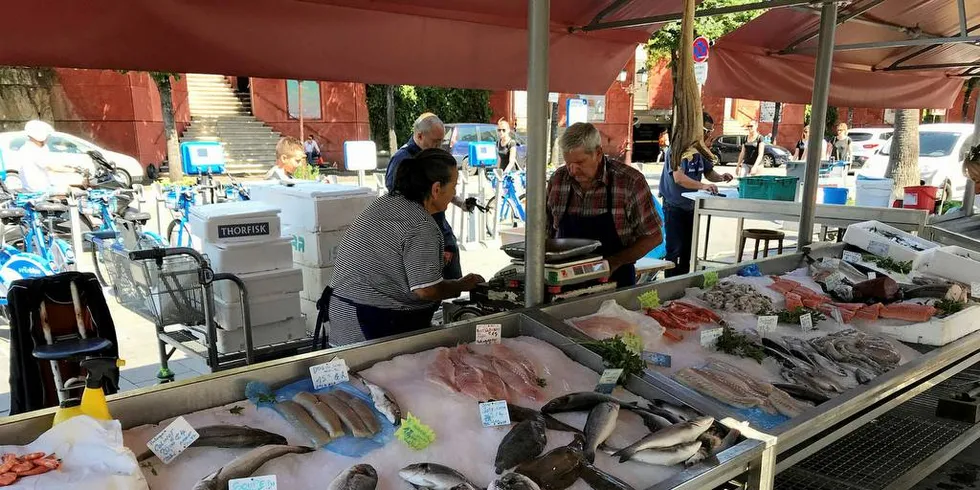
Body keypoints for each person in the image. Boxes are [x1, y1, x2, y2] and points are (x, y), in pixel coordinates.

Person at [327, 148, 485, 345]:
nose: (454, 193)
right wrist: (461, 285)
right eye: (454, 186)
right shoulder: (420, 224)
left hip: (344, 314)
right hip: (370, 322)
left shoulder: (387, 203)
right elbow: (426, 290)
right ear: (436, 189)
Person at [546, 122, 663, 288]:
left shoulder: (629, 182)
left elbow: (654, 236)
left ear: (598, 153)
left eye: (580, 163)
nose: (572, 170)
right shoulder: (558, 180)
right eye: (568, 163)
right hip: (564, 282)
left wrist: (615, 261)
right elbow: (545, 232)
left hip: (615, 281)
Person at [384, 113, 475, 280]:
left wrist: (460, 202)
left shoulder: (432, 156)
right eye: (435, 141)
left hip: (440, 229)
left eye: (441, 141)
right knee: (430, 285)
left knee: (451, 282)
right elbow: (397, 199)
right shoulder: (403, 160)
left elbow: (441, 188)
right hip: (419, 232)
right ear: (419, 136)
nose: (439, 146)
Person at [658, 112, 734, 278]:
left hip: (692, 207)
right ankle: (670, 284)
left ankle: (682, 283)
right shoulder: (677, 149)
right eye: (707, 131)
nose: (709, 135)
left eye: (711, 132)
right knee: (675, 249)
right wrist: (703, 186)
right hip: (674, 206)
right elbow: (679, 178)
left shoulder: (700, 150)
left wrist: (720, 178)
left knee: (688, 250)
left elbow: (708, 172)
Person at [17, 120, 83, 193]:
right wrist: (75, 171)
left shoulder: (39, 147)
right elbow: (52, 167)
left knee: (68, 190)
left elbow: (51, 163)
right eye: (47, 136)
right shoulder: (31, 149)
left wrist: (70, 167)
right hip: (37, 190)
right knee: (72, 192)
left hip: (42, 186)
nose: (48, 138)